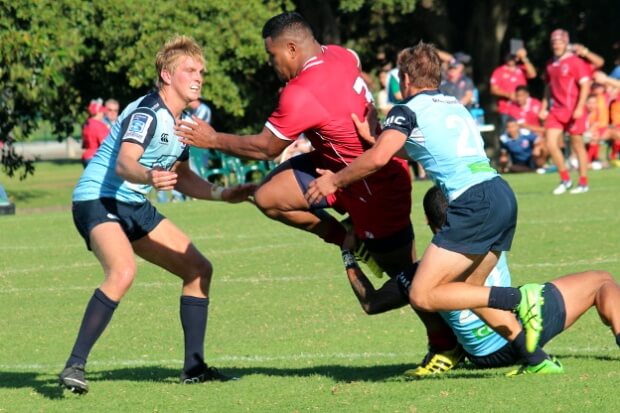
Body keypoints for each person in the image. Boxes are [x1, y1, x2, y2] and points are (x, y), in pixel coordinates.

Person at [176, 12, 461, 371]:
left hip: (376, 186)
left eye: (272, 55)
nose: (272, 64)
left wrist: (213, 138)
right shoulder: (341, 54)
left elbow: (266, 147)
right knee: (268, 197)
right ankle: (348, 238)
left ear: (292, 48)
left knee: (404, 274)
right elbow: (355, 71)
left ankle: (446, 345)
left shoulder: (302, 91)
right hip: (333, 169)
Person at [306, 41, 552, 370]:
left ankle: (523, 297)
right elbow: (421, 149)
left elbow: (379, 159)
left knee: (424, 294)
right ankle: (537, 359)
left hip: (472, 202)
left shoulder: (407, 110)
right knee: (469, 291)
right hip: (501, 194)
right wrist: (376, 139)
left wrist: (334, 180)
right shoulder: (453, 104)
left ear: (405, 79)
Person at [58, 35, 255, 394]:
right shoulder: (148, 112)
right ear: (166, 74)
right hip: (98, 200)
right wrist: (149, 176)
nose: (198, 77)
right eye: (190, 70)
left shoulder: (185, 123)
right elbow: (125, 162)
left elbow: (183, 178)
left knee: (198, 269)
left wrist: (224, 194)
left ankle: (194, 368)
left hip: (132, 203)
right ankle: (75, 366)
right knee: (123, 271)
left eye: (201, 72)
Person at [341, 186, 620, 375]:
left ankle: (445, 350)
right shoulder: (489, 231)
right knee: (600, 281)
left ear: (428, 220)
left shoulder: (423, 272)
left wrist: (347, 252)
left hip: (483, 355)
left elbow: (371, 303)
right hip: (523, 326)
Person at [540, 29, 591, 195]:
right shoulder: (550, 64)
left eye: (559, 41)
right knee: (550, 143)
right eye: (554, 42)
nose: (556, 44)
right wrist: (543, 106)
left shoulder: (575, 62)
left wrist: (579, 107)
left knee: (577, 145)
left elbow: (585, 85)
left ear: (566, 43)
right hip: (557, 110)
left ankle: (583, 182)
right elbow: (548, 87)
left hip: (573, 109)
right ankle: (565, 179)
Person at [490, 49, 537, 126]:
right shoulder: (499, 71)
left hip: (523, 108)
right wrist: (508, 95)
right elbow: (493, 89)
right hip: (506, 109)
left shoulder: (521, 69)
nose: (510, 60)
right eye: (508, 58)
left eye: (512, 57)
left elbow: (533, 74)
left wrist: (524, 58)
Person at [81, 99, 109, 168]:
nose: (103, 114)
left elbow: (84, 144)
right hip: (96, 157)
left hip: (86, 156)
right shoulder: (99, 125)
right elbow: (104, 144)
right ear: (98, 112)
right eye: (102, 112)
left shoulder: (87, 124)